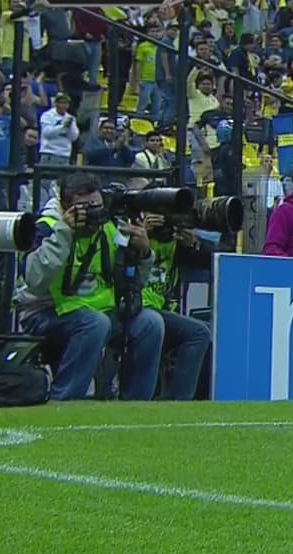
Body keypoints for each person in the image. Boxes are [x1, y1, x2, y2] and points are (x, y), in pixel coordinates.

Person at [16, 172, 166, 401]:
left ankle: (135, 405)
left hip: (97, 311)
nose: (95, 214)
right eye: (85, 208)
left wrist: (144, 253)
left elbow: (132, 284)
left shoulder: (109, 228)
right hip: (45, 313)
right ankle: (64, 401)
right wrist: (64, 233)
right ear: (65, 206)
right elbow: (35, 280)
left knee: (150, 322)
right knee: (95, 323)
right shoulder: (47, 227)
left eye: (97, 206)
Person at [138, 212, 214, 400]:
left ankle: (188, 400)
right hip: (134, 307)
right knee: (198, 332)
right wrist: (140, 236)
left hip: (163, 312)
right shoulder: (133, 234)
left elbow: (212, 258)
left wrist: (193, 245)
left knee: (207, 332)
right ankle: (178, 402)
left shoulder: (176, 243)